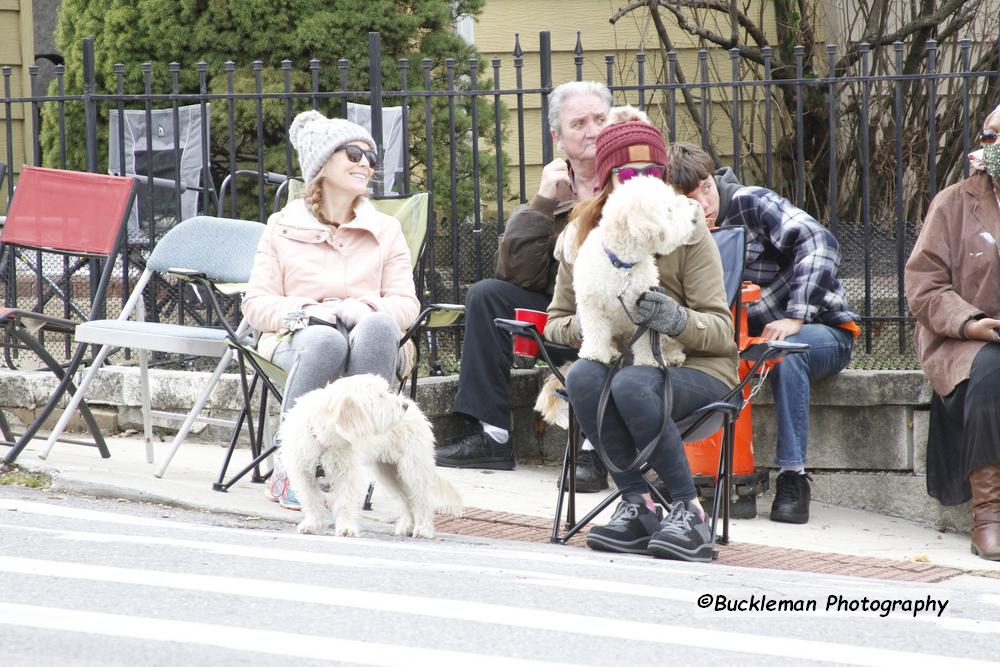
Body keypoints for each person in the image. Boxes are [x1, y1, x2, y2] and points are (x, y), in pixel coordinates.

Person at [547, 121, 739, 561]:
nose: (644, 181)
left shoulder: (687, 230)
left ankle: (689, 512)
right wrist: (594, 319)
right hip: (620, 367)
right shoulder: (581, 238)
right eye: (631, 174)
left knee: (632, 385)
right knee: (584, 378)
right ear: (609, 179)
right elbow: (554, 323)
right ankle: (638, 504)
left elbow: (720, 331)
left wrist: (674, 318)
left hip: (697, 372)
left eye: (654, 171)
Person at [664, 142, 860, 525]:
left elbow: (820, 241)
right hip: (740, 340)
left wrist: (797, 315)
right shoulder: (679, 231)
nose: (704, 203)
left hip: (823, 331)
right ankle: (679, 477)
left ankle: (793, 477)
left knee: (785, 352)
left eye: (706, 188)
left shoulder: (750, 202)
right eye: (690, 197)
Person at [434, 81, 613, 492]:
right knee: (486, 295)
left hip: (619, 316)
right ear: (558, 137)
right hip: (560, 321)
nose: (591, 131)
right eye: (579, 122)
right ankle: (493, 437)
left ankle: (592, 451)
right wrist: (543, 204)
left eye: (600, 120)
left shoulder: (631, 182)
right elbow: (515, 275)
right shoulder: (553, 192)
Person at [242, 110, 420, 509]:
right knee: (324, 340)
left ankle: (354, 471)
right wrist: (305, 311)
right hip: (299, 340)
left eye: (371, 158)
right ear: (322, 164)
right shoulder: (281, 227)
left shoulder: (385, 230)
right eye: (354, 153)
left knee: (376, 327)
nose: (365, 164)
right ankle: (290, 470)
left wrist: (365, 308)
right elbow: (256, 304)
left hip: (368, 341)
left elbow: (407, 304)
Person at [904, 104, 1000, 562]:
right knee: (992, 372)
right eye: (989, 137)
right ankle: (989, 517)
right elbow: (925, 286)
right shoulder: (953, 203)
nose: (994, 147)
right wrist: (970, 322)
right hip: (965, 339)